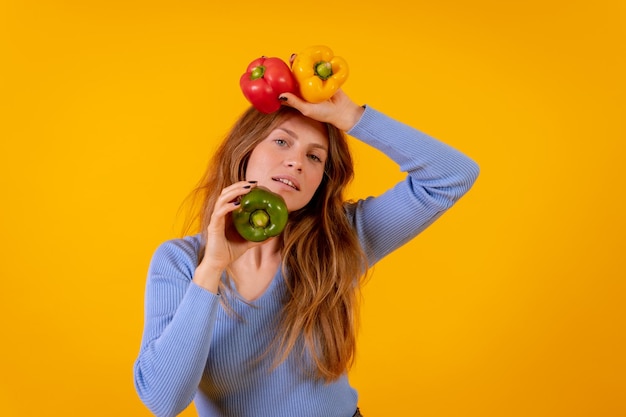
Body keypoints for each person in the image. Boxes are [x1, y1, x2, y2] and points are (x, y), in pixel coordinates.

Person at [133, 88, 479, 417]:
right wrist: (212, 269)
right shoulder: (180, 262)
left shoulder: (342, 239)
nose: (297, 162)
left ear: (320, 182)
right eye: (282, 142)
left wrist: (351, 116)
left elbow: (452, 175)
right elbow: (165, 401)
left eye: (314, 156)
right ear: (245, 150)